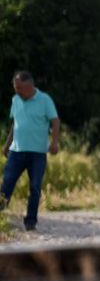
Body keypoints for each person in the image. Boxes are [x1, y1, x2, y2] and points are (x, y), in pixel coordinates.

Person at [2, 71, 60, 231]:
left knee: (35, 187)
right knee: (6, 185)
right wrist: (7, 145)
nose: (17, 91)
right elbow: (16, 124)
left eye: (19, 87)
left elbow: (55, 121)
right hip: (16, 151)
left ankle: (30, 221)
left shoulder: (44, 100)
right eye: (15, 87)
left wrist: (54, 143)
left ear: (30, 85)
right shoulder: (16, 100)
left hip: (37, 153)